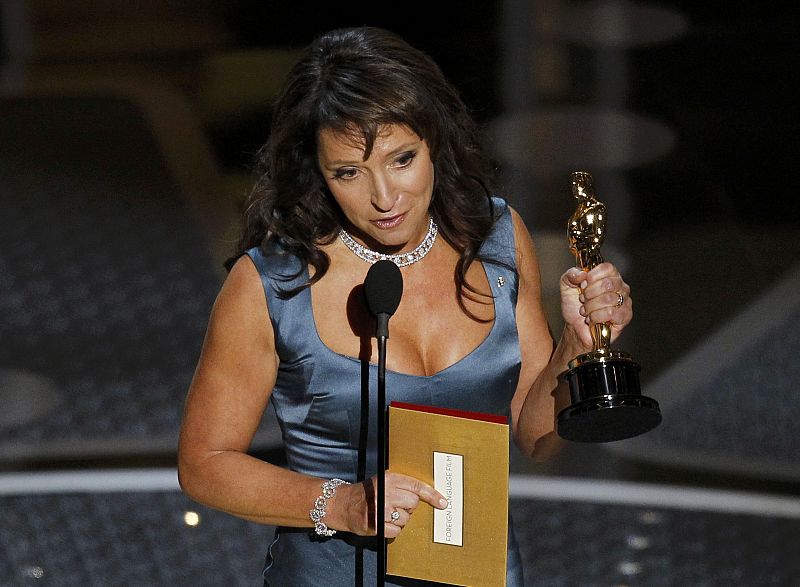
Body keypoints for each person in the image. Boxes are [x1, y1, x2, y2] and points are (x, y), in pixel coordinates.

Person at [177, 26, 633, 586]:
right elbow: (205, 465)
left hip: (479, 574)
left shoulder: (495, 238)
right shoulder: (272, 284)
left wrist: (576, 345)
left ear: (434, 139)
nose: (385, 198)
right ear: (317, 172)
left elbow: (538, 438)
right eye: (349, 173)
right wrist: (342, 504)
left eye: (402, 159)